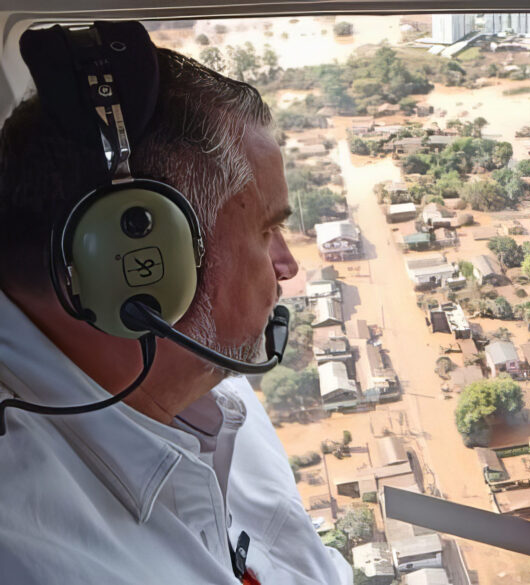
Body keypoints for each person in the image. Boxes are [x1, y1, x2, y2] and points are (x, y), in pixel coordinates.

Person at [0, 38, 352, 584]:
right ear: (142, 258)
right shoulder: (33, 553)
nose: (286, 266)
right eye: (266, 231)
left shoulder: (215, 396)